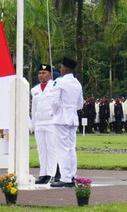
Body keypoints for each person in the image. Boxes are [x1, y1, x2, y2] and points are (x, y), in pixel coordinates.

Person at [50, 57, 84, 188]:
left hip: (61, 118)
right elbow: (80, 104)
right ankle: (72, 176)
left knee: (62, 148)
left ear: (64, 68)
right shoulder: (77, 83)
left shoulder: (59, 82)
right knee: (71, 148)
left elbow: (54, 102)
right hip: (73, 118)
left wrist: (55, 112)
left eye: (62, 67)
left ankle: (65, 178)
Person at [30, 64, 56, 184]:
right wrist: (33, 123)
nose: (41, 75)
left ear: (50, 74)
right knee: (41, 149)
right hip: (39, 122)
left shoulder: (54, 87)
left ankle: (51, 174)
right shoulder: (34, 90)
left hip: (51, 122)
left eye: (44, 73)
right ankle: (43, 174)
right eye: (40, 73)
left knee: (51, 149)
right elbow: (33, 108)